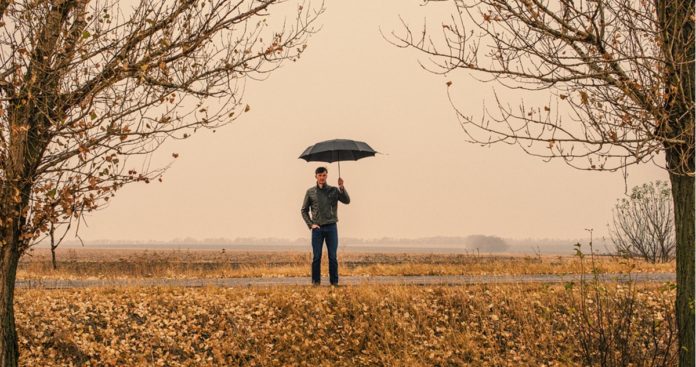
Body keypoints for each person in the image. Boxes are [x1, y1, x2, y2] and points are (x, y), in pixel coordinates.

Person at [300, 166, 350, 286]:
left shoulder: (333, 190)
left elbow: (347, 200)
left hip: (331, 227)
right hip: (317, 229)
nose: (322, 177)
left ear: (327, 176)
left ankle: (334, 283)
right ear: (316, 176)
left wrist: (341, 187)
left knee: (332, 256)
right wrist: (311, 224)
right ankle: (316, 283)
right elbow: (304, 210)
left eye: (324, 175)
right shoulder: (310, 192)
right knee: (317, 257)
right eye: (320, 175)